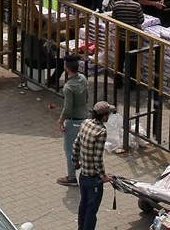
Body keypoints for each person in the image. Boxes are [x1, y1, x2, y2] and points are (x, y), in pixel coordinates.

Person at [72, 101, 113, 230]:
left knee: (83, 204)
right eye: (108, 114)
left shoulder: (85, 123)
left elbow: (76, 144)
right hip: (94, 179)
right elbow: (97, 158)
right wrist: (104, 176)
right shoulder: (101, 131)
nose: (109, 116)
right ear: (104, 116)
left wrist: (75, 161)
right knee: (91, 210)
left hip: (83, 176)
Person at [56, 56, 88, 186]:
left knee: (69, 148)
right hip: (84, 118)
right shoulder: (83, 79)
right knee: (81, 147)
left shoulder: (68, 87)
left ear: (67, 68)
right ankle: (85, 171)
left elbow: (68, 108)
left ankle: (71, 177)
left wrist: (60, 120)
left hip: (73, 120)